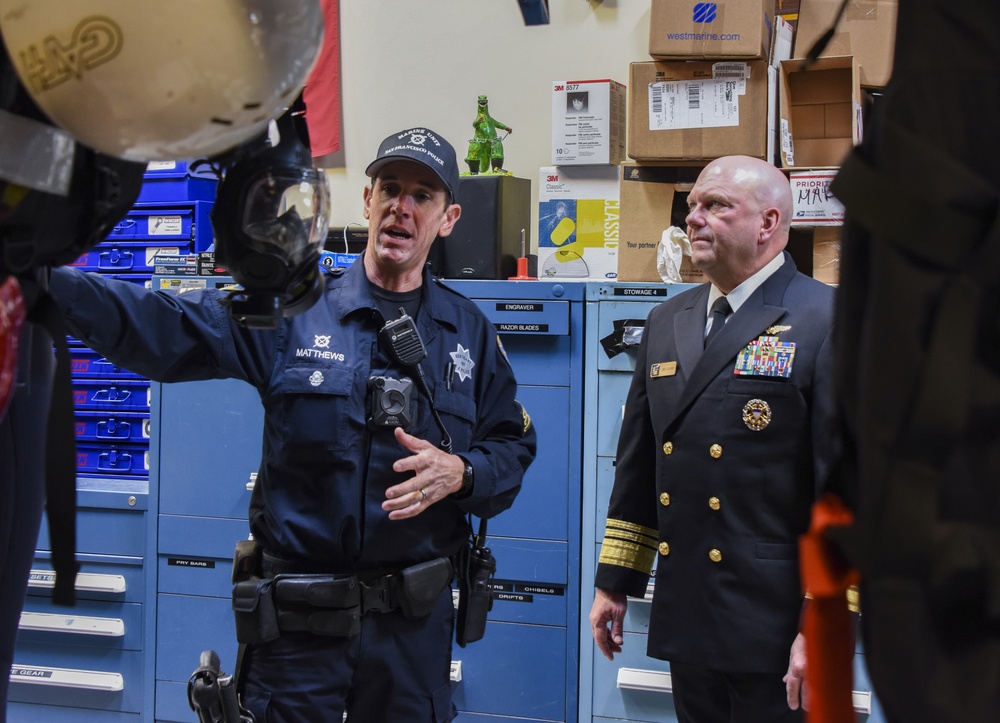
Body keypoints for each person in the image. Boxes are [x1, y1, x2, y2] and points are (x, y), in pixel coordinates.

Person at [49, 126, 537, 723]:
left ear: (449, 217)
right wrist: (46, 284)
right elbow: (163, 325)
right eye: (388, 187)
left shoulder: (472, 335)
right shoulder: (293, 312)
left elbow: (511, 450)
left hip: (411, 644)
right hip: (297, 639)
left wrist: (461, 472)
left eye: (421, 195)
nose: (400, 207)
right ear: (366, 201)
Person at [589, 155, 839, 722]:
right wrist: (615, 580)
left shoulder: (828, 320)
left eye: (716, 205)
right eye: (692, 205)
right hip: (689, 613)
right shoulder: (667, 320)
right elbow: (640, 467)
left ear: (769, 223)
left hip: (773, 625)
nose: (692, 219)